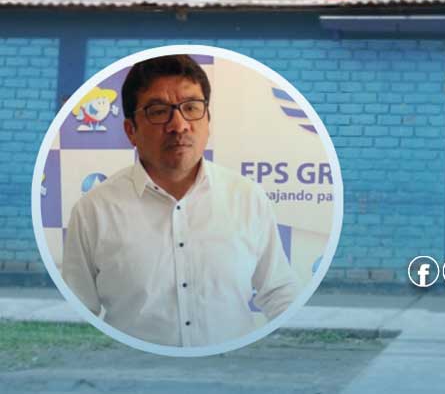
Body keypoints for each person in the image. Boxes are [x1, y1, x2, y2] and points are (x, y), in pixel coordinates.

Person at [62, 55, 299, 348]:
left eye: (191, 108)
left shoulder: (247, 197)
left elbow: (278, 291)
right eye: (159, 112)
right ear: (131, 130)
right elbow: (77, 313)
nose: (179, 125)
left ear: (208, 121)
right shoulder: (93, 211)